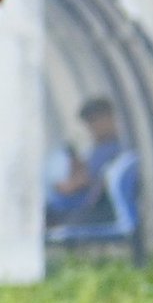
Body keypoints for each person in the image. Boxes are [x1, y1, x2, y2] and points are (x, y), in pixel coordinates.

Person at [45, 96, 125, 227]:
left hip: (89, 212)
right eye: (89, 122)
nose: (91, 127)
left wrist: (59, 185)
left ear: (108, 117)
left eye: (93, 121)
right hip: (80, 208)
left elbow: (76, 184)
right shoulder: (99, 148)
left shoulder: (112, 150)